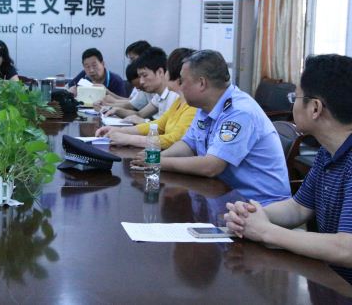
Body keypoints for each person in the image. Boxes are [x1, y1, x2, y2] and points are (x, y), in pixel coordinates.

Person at [225, 54, 352, 285]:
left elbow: (347, 249)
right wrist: (251, 216)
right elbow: (298, 208)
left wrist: (265, 231)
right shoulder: (327, 151)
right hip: (328, 280)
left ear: (315, 108)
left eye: (296, 97)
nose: (293, 104)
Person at [131, 49, 290, 206]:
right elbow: (188, 144)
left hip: (260, 206)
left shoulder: (239, 112)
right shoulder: (205, 106)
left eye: (182, 81)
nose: (180, 87)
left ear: (202, 83)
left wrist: (157, 162)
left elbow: (211, 166)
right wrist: (156, 157)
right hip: (225, 197)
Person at [96, 48, 197, 148]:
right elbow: (159, 125)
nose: (141, 82)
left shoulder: (190, 104)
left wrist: (128, 138)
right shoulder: (179, 101)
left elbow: (175, 140)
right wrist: (119, 130)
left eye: (167, 70)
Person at [104, 47, 177, 122]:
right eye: (140, 76)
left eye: (145, 75)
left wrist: (144, 122)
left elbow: (168, 128)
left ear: (160, 72)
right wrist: (116, 110)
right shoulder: (158, 95)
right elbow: (140, 114)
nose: (141, 82)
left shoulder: (174, 96)